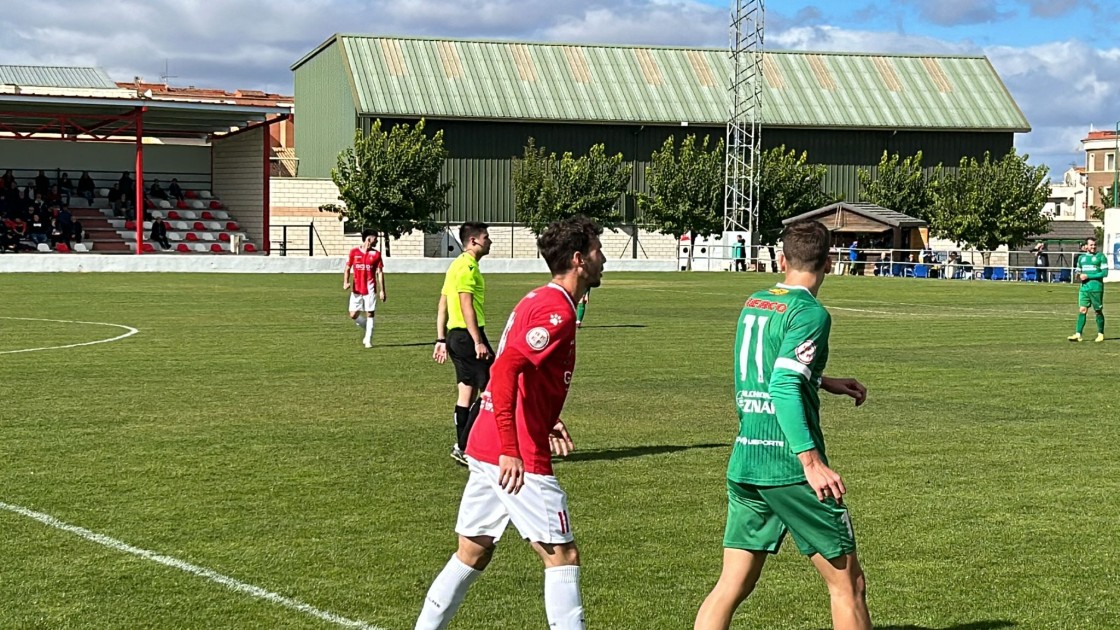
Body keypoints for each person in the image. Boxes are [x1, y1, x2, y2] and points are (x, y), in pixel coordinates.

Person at [415, 215, 606, 630]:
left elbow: (522, 374)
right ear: (578, 260)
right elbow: (503, 373)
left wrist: (548, 418)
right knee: (562, 556)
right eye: (596, 251)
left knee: (473, 549)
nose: (602, 258)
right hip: (511, 449)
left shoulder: (538, 297)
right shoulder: (556, 312)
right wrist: (511, 447)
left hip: (484, 441)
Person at [694, 219, 871, 630]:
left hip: (747, 457)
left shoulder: (756, 301)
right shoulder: (811, 313)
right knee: (849, 586)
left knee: (732, 583)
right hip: (789, 467)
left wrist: (824, 380)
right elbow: (784, 381)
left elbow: (777, 367)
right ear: (830, 263)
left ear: (781, 259)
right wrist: (810, 461)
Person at [433, 222, 493, 466]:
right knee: (492, 390)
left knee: (466, 392)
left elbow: (442, 304)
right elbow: (465, 303)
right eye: (486, 237)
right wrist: (478, 341)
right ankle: (466, 446)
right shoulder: (467, 266)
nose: (490, 242)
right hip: (469, 337)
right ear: (474, 241)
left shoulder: (455, 265)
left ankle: (463, 448)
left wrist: (440, 339)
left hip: (454, 336)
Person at [343, 229, 386, 348]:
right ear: (369, 239)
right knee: (353, 314)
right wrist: (346, 282)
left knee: (370, 312)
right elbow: (347, 268)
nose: (376, 241)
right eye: (375, 238)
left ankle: (368, 339)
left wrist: (382, 290)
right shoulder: (354, 252)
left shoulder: (376, 254)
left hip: (370, 289)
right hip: (356, 289)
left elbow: (380, 273)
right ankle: (367, 326)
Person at [1068, 237, 1107, 343]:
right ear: (1086, 246)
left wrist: (1088, 276)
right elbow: (1078, 272)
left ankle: (1100, 334)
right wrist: (1078, 275)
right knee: (1082, 310)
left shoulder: (1101, 257)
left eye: (1094, 244)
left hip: (1096, 288)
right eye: (1091, 245)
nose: (1093, 247)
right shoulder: (1081, 258)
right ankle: (1078, 334)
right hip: (1084, 288)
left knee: (1097, 311)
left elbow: (1104, 273)